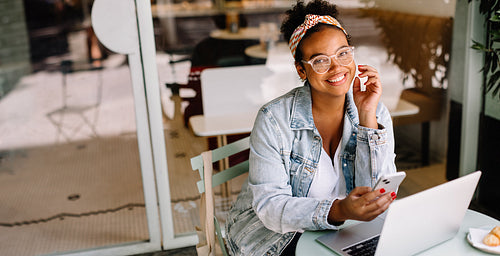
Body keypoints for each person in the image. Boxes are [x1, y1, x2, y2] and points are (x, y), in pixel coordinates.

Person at [224, 0, 397, 255]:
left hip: (341, 231)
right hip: (273, 236)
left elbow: (376, 196)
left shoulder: (375, 111)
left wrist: (367, 117)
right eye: (320, 60)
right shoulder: (273, 120)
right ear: (301, 70)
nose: (337, 67)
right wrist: (339, 210)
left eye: (343, 53)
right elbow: (270, 208)